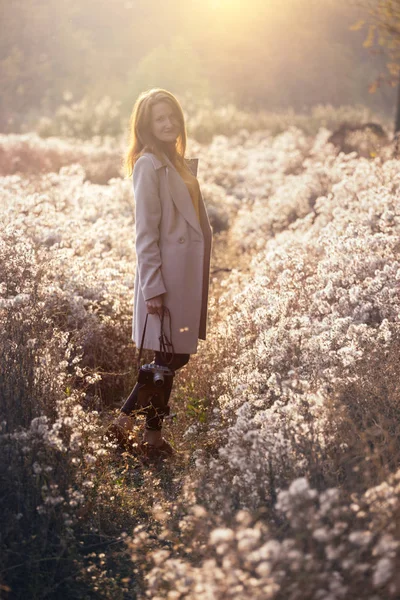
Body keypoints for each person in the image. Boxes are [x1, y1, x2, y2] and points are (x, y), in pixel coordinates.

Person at [109, 88, 213, 459]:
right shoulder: (147, 164)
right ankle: (133, 432)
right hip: (167, 278)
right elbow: (145, 232)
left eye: (173, 117)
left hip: (183, 275)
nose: (169, 124)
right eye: (160, 119)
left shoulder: (175, 160)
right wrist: (152, 286)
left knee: (170, 358)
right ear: (146, 126)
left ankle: (138, 434)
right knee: (168, 359)